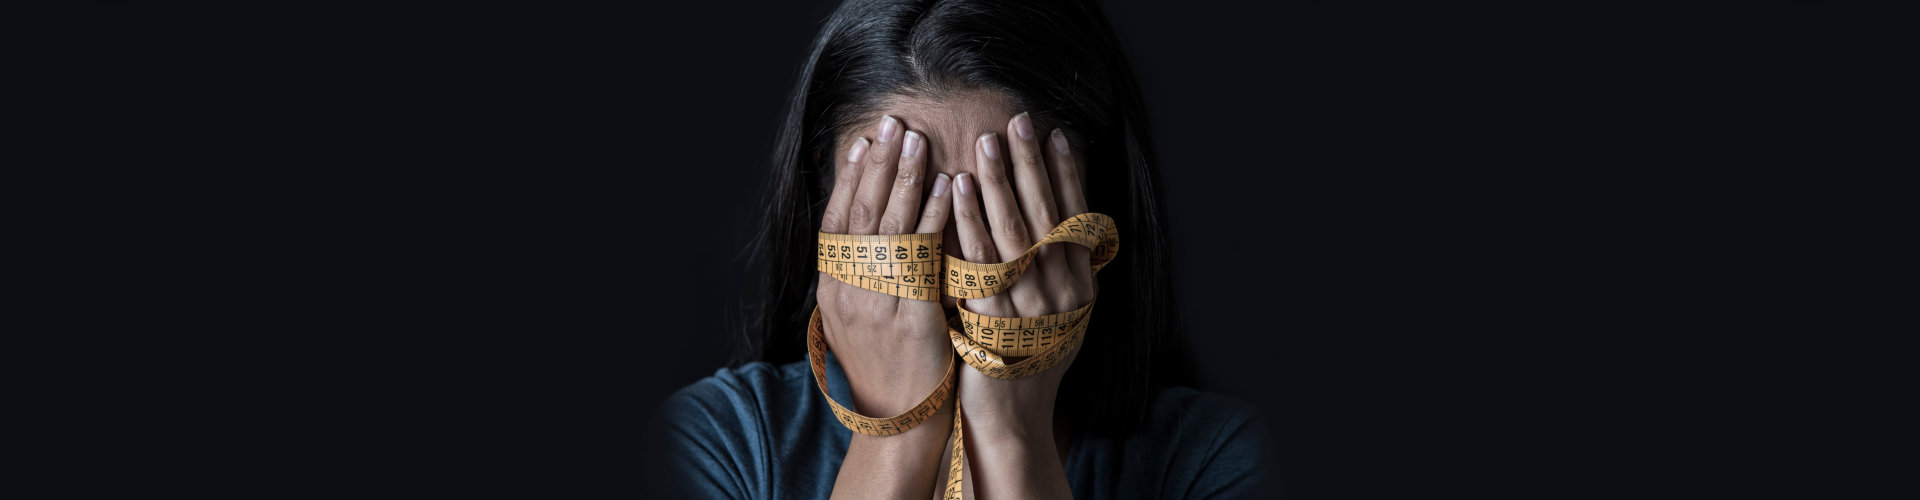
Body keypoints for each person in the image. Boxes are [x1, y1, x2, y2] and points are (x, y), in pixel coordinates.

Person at [654, 0, 1265, 497]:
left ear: (1093, 203)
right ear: (828, 196)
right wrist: (896, 433)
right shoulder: (717, 445)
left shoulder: (1216, 462)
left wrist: (1009, 439)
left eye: (1007, 209)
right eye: (905, 201)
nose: (955, 258)